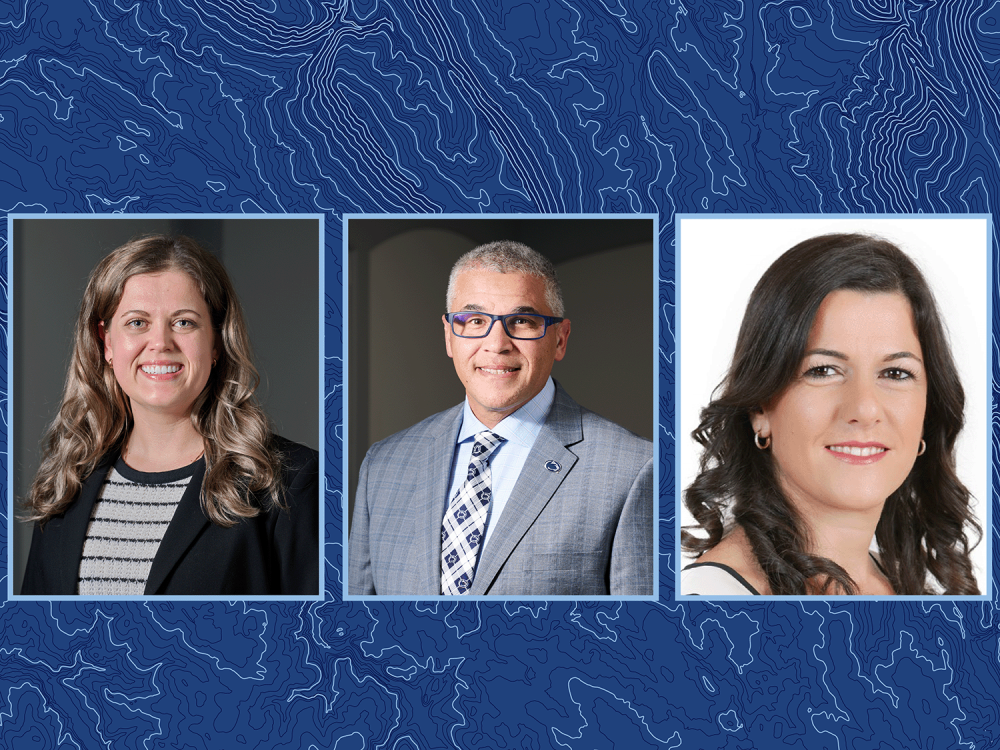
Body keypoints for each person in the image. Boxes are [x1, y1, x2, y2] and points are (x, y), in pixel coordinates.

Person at [681, 233, 980, 596]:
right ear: (759, 408)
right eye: (822, 371)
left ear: (928, 411)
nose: (865, 410)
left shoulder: (921, 584)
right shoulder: (712, 605)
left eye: (896, 373)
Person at [349, 240, 653, 596]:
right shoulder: (383, 464)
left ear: (560, 339)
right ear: (449, 336)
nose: (496, 344)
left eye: (522, 321)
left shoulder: (634, 470)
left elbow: (638, 640)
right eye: (474, 320)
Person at [20, 235, 319, 596]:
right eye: (136, 323)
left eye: (183, 323)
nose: (160, 342)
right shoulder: (67, 481)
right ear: (107, 342)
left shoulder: (290, 480)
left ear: (216, 343)